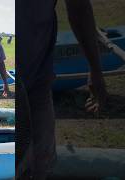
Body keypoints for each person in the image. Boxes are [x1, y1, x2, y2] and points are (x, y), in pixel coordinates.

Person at [17, 0, 107, 179]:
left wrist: (95, 69)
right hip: (13, 86)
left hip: (38, 82)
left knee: (41, 167)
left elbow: (79, 7)